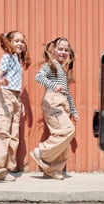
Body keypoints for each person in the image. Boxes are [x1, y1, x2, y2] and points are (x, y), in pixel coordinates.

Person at [30, 37, 80, 180]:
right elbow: (38, 77)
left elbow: (67, 94)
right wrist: (53, 86)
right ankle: (42, 152)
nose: (63, 52)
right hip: (53, 101)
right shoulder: (50, 64)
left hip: (62, 102)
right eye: (60, 49)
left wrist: (74, 112)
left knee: (61, 137)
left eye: (66, 50)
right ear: (53, 51)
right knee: (68, 130)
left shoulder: (62, 70)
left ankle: (52, 170)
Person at [0, 31, 31, 182]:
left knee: (14, 134)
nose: (20, 44)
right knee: (2, 130)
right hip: (5, 95)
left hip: (15, 98)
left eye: (22, 41)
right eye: (16, 41)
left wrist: (20, 102)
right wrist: (1, 81)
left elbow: (16, 84)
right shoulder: (7, 57)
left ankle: (8, 168)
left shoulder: (18, 60)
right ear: (9, 42)